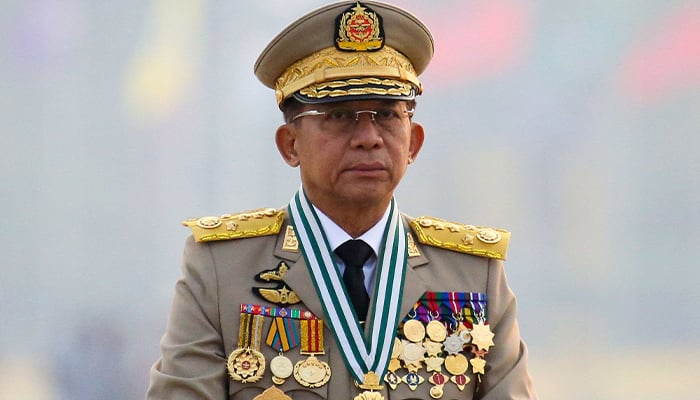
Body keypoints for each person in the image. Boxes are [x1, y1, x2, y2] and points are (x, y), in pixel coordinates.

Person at [147, 1, 536, 399]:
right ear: (290, 144)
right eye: (339, 115)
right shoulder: (220, 269)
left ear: (414, 142)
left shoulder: (472, 274)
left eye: (386, 115)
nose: (368, 137)